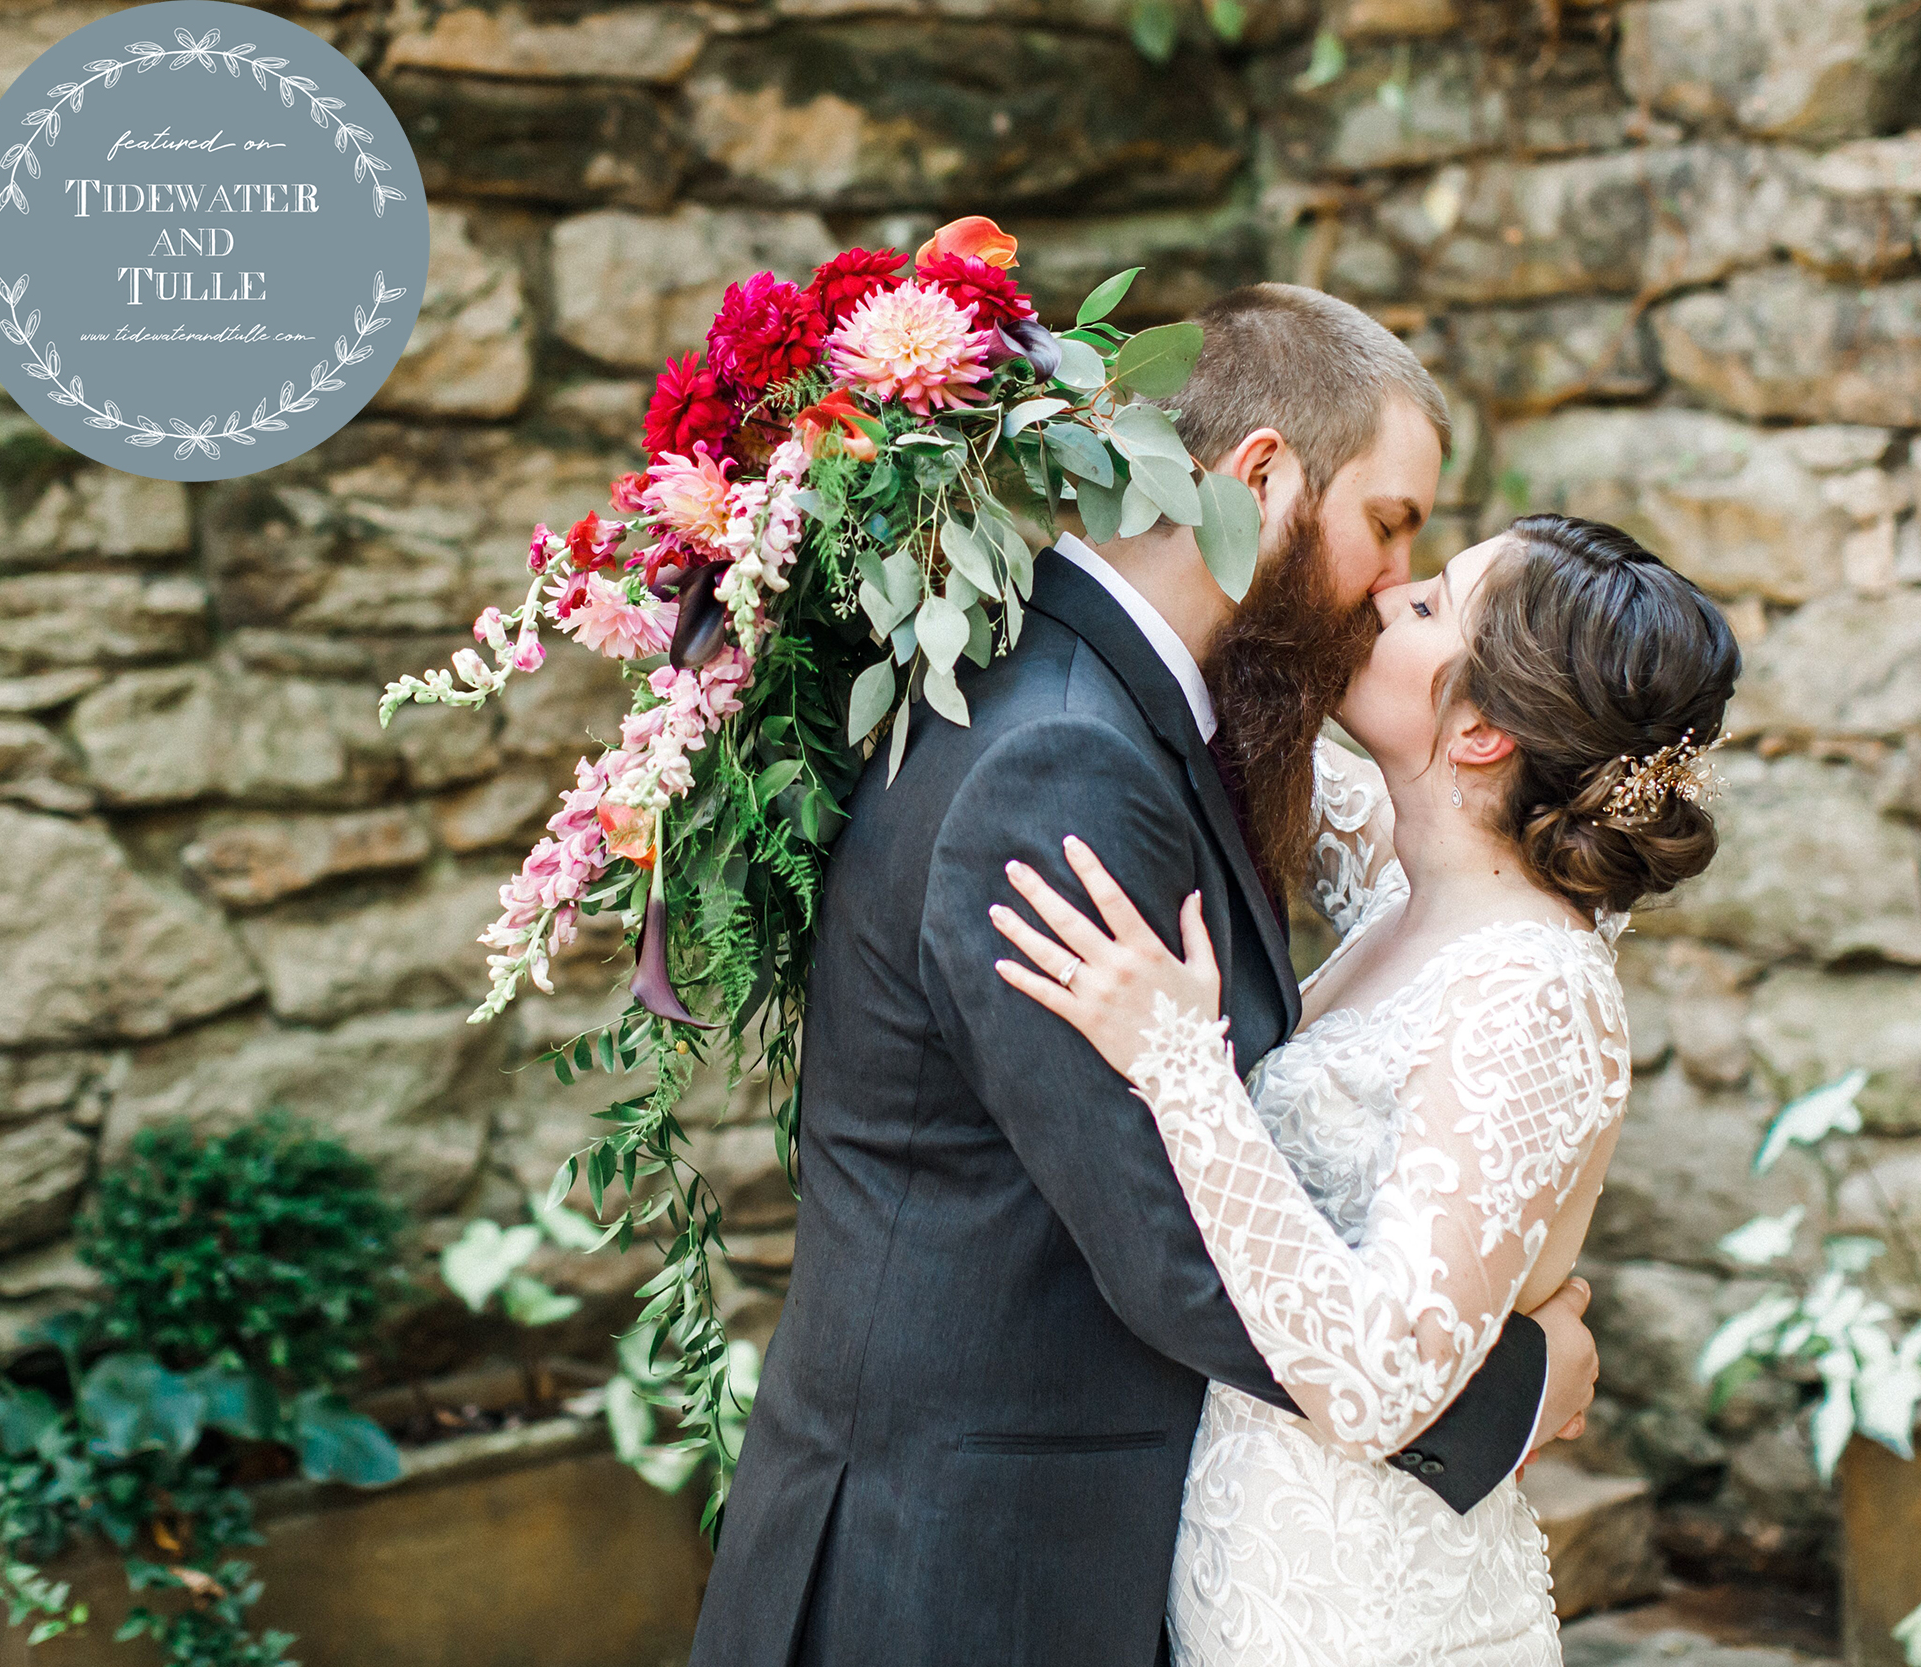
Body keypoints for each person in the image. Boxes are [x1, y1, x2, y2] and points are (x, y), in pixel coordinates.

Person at [689, 286, 1603, 1667]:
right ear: (1263, 477)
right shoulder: (1062, 759)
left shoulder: (1109, 702)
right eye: (1390, 524)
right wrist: (1507, 1394)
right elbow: (1168, 1233)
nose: (1388, 580)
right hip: (960, 1569)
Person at [989, 514, 1742, 1665]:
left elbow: (1381, 1381)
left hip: (1373, 1623)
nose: (1386, 596)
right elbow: (1242, 708)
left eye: (1431, 604)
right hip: (1258, 1591)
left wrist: (1184, 1068)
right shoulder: (1417, 883)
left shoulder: (1533, 991)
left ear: (1482, 730)